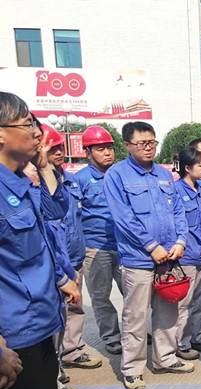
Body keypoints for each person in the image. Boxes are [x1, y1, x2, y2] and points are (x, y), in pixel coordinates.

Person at [0, 91, 73, 389]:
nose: (36, 132)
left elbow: (55, 214)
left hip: (42, 323)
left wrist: (44, 169)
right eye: (27, 123)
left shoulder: (19, 183)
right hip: (14, 338)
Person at [104, 121, 194, 389]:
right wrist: (151, 246)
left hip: (169, 257)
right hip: (139, 259)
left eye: (152, 142)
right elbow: (123, 218)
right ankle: (132, 369)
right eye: (142, 143)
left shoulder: (164, 174)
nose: (148, 148)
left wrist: (180, 241)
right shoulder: (117, 175)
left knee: (168, 310)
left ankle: (165, 358)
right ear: (127, 145)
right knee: (135, 315)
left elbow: (178, 211)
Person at [39, 124, 101, 371]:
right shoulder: (36, 183)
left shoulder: (71, 180)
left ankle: (72, 351)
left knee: (75, 308)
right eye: (52, 148)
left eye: (60, 147)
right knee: (54, 313)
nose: (58, 152)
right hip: (53, 262)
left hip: (74, 256)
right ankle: (53, 367)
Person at [74, 125, 124, 355]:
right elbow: (73, 216)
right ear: (88, 152)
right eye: (100, 148)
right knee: (101, 296)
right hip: (95, 247)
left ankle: (134, 331)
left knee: (134, 294)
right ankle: (112, 336)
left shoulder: (121, 174)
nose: (107, 153)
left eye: (109, 148)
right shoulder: (80, 180)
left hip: (124, 246)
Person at [172, 147, 201, 360]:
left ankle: (195, 336)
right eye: (200, 166)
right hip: (186, 256)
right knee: (184, 304)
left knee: (199, 299)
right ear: (187, 168)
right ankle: (181, 343)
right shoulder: (176, 191)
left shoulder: (199, 189)